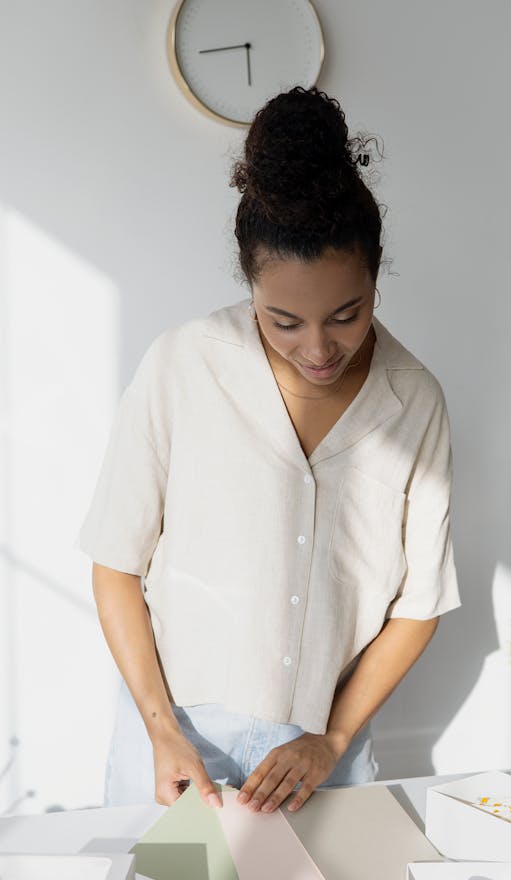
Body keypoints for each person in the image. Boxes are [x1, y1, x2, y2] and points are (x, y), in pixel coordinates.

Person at [77, 86, 461, 816]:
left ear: (377, 279)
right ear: (250, 285)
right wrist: (162, 731)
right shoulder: (183, 365)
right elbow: (116, 563)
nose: (318, 348)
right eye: (283, 320)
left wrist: (331, 738)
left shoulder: (415, 402)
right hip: (175, 746)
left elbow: (419, 605)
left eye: (346, 314)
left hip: (324, 758)